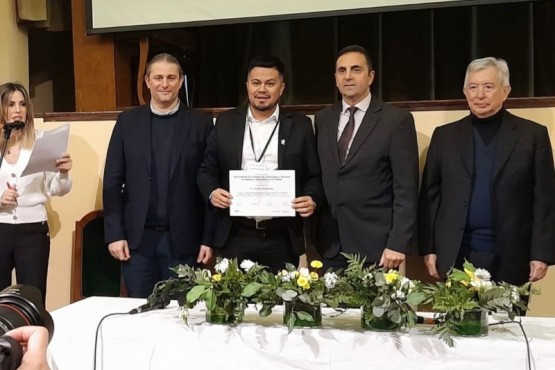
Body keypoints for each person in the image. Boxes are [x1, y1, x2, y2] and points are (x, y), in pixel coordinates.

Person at [419, 57, 555, 285]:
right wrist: (429, 248)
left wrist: (541, 254)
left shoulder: (532, 136)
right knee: (458, 320)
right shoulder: (444, 136)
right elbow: (430, 196)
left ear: (505, 91)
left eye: (488, 87)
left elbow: (545, 200)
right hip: (456, 254)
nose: (479, 94)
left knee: (504, 321)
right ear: (465, 91)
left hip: (512, 255)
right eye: (473, 87)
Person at [197, 55, 323, 273]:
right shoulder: (226, 123)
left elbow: (314, 175)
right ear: (247, 86)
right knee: (234, 303)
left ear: (281, 88)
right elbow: (206, 170)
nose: (262, 89)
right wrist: (212, 192)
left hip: (282, 235)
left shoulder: (300, 126)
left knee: (279, 304)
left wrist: (312, 198)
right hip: (236, 233)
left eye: (270, 83)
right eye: (256, 83)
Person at [103, 53, 214, 298]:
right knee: (142, 315)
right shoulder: (127, 122)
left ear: (181, 80)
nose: (165, 84)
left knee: (183, 317)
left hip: (184, 242)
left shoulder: (201, 123)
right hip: (137, 242)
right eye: (159, 77)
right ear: (147, 81)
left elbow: (209, 183)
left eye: (171, 77)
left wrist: (208, 239)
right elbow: (112, 182)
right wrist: (115, 234)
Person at [314, 45, 419, 270]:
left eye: (356, 70)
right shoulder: (323, 119)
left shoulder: (396, 121)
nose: (348, 76)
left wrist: (398, 243)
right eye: (341, 71)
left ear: (370, 76)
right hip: (330, 245)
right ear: (335, 78)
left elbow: (406, 189)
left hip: (377, 248)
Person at [0, 82, 72, 304]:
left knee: (32, 299)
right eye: (11, 104)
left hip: (32, 232)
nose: (17, 109)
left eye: (22, 104)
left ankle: (32, 338)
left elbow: (57, 189)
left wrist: (63, 174)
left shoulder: (41, 142)